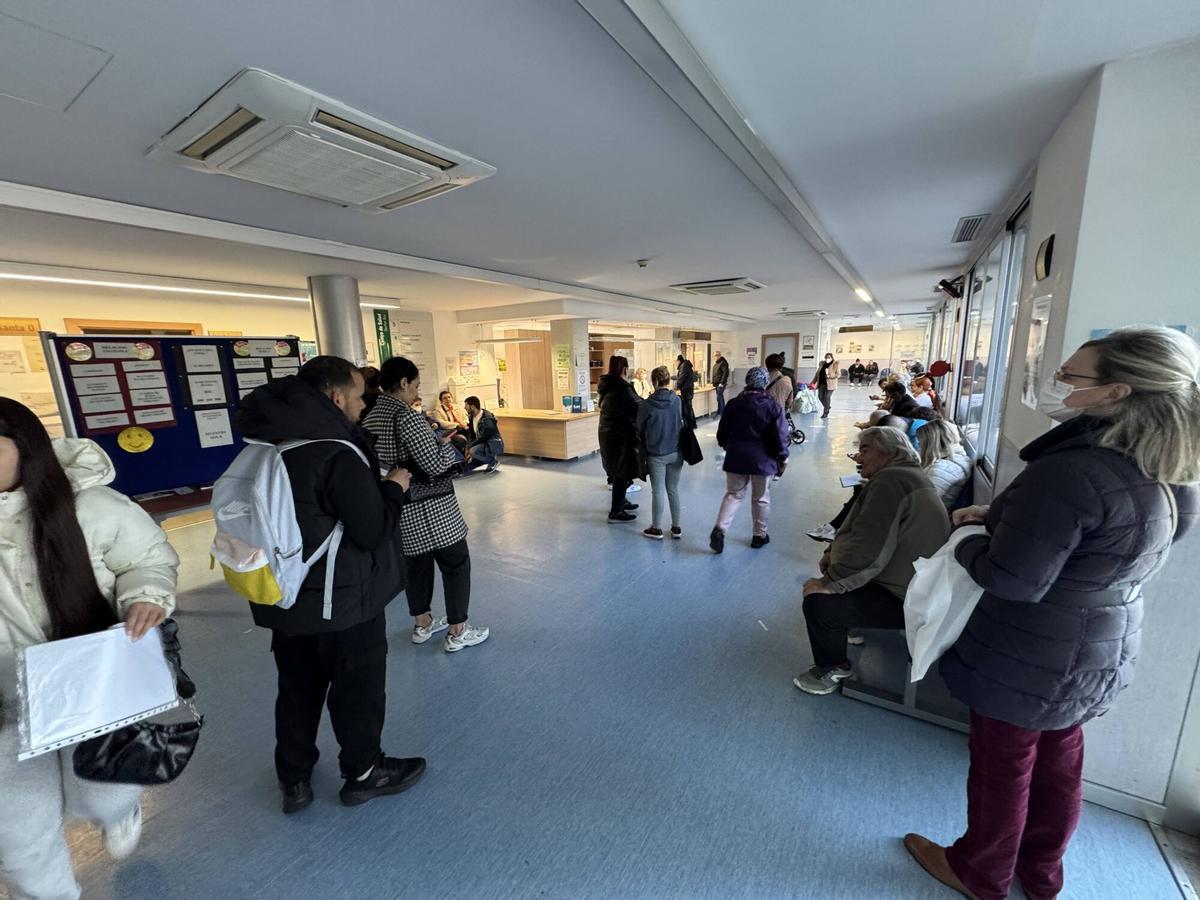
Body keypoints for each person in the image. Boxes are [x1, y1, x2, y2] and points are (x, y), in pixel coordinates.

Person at [904, 326, 1200, 900]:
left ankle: (980, 872)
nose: (1056, 380)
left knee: (1003, 763)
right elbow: (1114, 539)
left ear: (1116, 391)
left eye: (1069, 374)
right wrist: (1004, 519)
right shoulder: (1166, 464)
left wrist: (967, 540)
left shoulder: (1072, 471)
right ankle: (1041, 874)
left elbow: (1012, 578)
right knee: (1060, 761)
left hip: (1032, 650)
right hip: (1102, 642)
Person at [0, 399, 179, 898]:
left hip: (86, 682)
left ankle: (118, 810)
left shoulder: (90, 506)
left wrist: (146, 596)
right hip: (4, 703)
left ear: (26, 447)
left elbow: (146, 559)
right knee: (17, 832)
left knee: (102, 794)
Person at [237, 357, 425, 813]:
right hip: (343, 601)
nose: (363, 405)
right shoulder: (336, 453)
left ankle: (294, 779)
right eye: (359, 396)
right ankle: (363, 772)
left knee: (297, 690)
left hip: (286, 593)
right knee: (357, 691)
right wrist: (394, 487)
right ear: (337, 397)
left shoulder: (268, 444)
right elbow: (371, 530)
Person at [794, 426, 950, 694]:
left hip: (906, 598)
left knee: (819, 603)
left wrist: (830, 583)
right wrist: (833, 553)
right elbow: (866, 533)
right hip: (911, 585)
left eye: (865, 450)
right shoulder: (905, 476)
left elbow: (871, 547)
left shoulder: (891, 483)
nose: (859, 457)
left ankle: (832, 668)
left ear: (889, 452)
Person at [363, 356, 490, 655]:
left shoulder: (370, 417)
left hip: (400, 505)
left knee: (416, 567)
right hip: (432, 508)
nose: (417, 392)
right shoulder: (406, 417)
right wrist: (445, 447)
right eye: (416, 385)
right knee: (456, 564)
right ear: (403, 382)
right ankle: (458, 631)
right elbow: (433, 465)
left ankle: (423, 624)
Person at [709, 367, 789, 553]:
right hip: (763, 460)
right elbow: (780, 435)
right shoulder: (772, 406)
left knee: (733, 495)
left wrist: (727, 446)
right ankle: (759, 536)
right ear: (765, 383)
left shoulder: (733, 404)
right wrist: (782, 456)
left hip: (736, 457)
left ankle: (720, 528)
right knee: (761, 499)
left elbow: (722, 433)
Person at [635, 365, 684, 540]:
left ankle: (656, 529)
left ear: (654, 381)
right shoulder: (677, 400)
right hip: (677, 451)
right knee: (673, 490)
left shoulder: (647, 404)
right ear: (668, 380)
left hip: (656, 453)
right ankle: (676, 528)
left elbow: (639, 426)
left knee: (658, 491)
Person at [598, 355, 641, 523]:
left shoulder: (608, 386)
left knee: (619, 472)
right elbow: (638, 406)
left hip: (609, 436)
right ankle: (615, 512)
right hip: (620, 438)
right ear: (624, 369)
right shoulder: (622, 389)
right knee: (621, 473)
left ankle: (621, 501)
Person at [918, 419, 971, 510]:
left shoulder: (942, 469)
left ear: (929, 444)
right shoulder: (957, 460)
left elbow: (924, 504)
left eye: (920, 443)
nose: (918, 446)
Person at [463, 395, 503, 474]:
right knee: (466, 466)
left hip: (493, 444)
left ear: (472, 407)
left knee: (472, 451)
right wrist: (467, 447)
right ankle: (482, 460)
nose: (464, 408)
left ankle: (492, 461)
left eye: (466, 406)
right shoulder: (472, 417)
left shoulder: (487, 418)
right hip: (482, 443)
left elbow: (483, 437)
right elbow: (471, 435)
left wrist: (470, 447)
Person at [433, 390, 470, 454]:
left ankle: (470, 452)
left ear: (452, 398)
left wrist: (465, 423)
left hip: (463, 427)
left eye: (449, 397)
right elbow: (441, 423)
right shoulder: (438, 410)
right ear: (441, 401)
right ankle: (463, 455)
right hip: (452, 431)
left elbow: (465, 416)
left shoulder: (457, 406)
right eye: (444, 398)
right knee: (463, 439)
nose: (447, 399)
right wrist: (457, 425)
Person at [815, 353, 840, 418]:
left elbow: (838, 374)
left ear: (832, 358)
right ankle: (827, 406)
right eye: (826, 357)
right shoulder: (822, 364)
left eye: (829, 357)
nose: (827, 358)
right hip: (821, 383)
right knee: (820, 397)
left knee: (827, 397)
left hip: (831, 384)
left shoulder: (835, 364)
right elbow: (817, 374)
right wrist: (813, 382)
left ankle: (826, 412)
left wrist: (830, 376)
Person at [675, 354, 697, 426]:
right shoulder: (686, 365)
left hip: (686, 390)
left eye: (675, 361)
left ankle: (689, 425)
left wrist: (677, 387)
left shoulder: (683, 366)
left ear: (679, 361)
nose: (675, 363)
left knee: (686, 408)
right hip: (689, 389)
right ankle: (693, 423)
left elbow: (681, 378)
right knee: (689, 407)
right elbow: (682, 376)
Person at [711, 353, 730, 417]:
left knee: (720, 397)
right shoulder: (717, 363)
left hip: (720, 384)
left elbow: (725, 373)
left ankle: (723, 413)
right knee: (719, 398)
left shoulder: (723, 363)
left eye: (715, 356)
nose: (714, 357)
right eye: (713, 356)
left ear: (719, 356)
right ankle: (719, 412)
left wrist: (721, 383)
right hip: (717, 384)